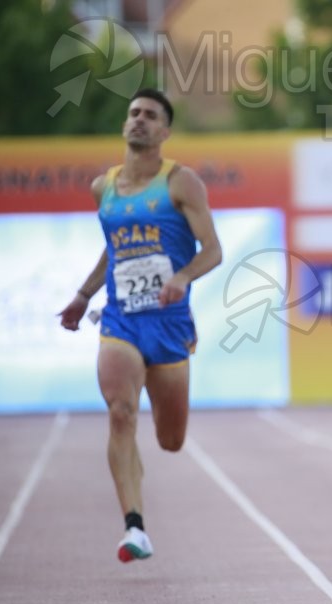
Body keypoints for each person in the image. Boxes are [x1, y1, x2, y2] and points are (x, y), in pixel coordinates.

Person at [59, 88, 222, 563]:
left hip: (169, 323)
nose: (139, 121)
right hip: (121, 318)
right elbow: (115, 247)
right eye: (133, 114)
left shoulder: (181, 183)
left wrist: (182, 277)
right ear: (124, 123)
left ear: (165, 132)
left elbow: (212, 249)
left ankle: (139, 471)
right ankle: (135, 526)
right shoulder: (102, 188)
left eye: (150, 116)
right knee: (120, 413)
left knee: (170, 441)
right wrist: (84, 294)